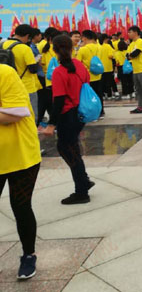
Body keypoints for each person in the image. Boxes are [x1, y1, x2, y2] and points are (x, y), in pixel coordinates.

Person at [0, 63, 41, 280]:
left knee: (21, 206)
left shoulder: (4, 73)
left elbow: (15, 114)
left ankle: (28, 255)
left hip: (21, 156)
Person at [44, 35, 95, 204]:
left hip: (67, 116)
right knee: (72, 149)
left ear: (54, 50)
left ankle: (82, 191)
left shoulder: (59, 72)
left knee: (68, 150)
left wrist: (52, 124)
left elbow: (59, 100)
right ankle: (84, 181)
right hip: (80, 113)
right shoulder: (80, 65)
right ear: (72, 48)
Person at [3, 25, 40, 122]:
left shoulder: (3, 44)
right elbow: (33, 69)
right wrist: (37, 61)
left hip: (7, 86)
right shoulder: (25, 48)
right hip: (26, 87)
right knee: (30, 117)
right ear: (27, 36)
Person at [76, 30, 104, 119]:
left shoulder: (83, 49)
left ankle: (91, 113)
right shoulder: (99, 47)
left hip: (87, 76)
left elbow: (77, 62)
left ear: (84, 38)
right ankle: (101, 112)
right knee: (98, 95)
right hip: (98, 75)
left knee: (88, 96)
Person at [37, 28, 60, 130]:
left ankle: (46, 122)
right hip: (58, 79)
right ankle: (55, 123)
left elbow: (41, 63)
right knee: (56, 103)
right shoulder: (59, 48)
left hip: (47, 79)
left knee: (47, 102)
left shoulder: (43, 48)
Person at [99, 34, 118, 100]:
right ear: (105, 39)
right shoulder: (107, 46)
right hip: (108, 67)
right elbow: (111, 55)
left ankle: (103, 95)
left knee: (101, 82)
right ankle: (109, 95)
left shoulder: (98, 46)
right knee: (108, 82)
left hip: (100, 67)